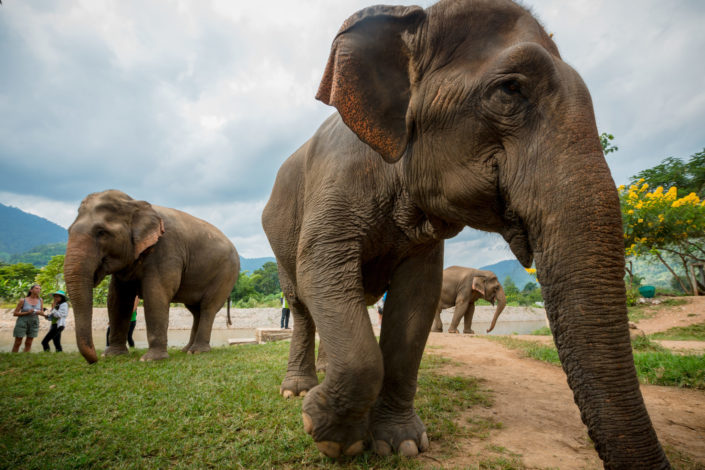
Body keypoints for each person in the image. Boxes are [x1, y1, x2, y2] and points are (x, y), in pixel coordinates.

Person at [12, 284, 43, 352]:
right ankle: (13, 356)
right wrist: (27, 312)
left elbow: (42, 312)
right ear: (31, 290)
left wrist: (39, 312)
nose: (38, 290)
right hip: (22, 321)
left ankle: (26, 356)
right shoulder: (23, 300)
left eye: (39, 289)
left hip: (34, 321)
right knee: (18, 342)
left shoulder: (40, 300)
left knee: (29, 342)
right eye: (36, 288)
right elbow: (15, 313)